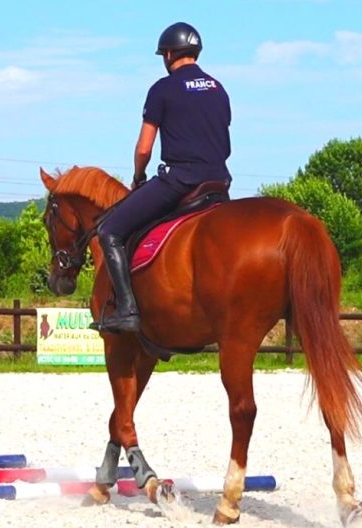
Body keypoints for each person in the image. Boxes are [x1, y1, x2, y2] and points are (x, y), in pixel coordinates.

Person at [95, 22, 232, 333]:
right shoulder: (219, 89)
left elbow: (144, 148)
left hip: (180, 181)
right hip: (219, 183)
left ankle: (128, 310)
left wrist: (138, 175)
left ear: (169, 54)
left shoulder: (163, 88)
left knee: (109, 230)